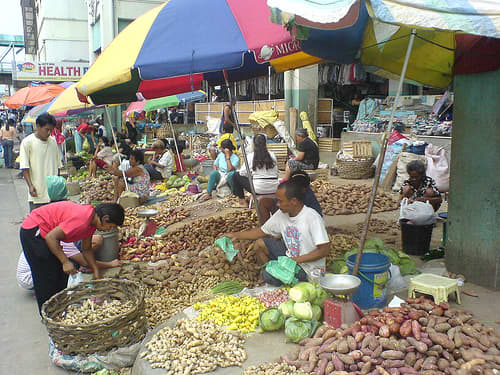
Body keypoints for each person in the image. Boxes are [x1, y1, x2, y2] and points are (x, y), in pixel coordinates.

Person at [20, 201, 125, 313]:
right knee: (46, 276)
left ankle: (60, 309)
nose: (108, 230)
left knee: (61, 274)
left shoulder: (92, 221)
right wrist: (65, 261)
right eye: (111, 226)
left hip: (49, 233)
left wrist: (95, 270)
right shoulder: (82, 221)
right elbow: (51, 238)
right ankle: (48, 314)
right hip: (35, 230)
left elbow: (87, 249)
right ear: (105, 218)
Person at [225, 178, 329, 286]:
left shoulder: (312, 218)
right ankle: (275, 273)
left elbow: (324, 250)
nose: (277, 204)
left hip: (309, 268)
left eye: (280, 201)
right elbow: (261, 231)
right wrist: (235, 235)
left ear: (293, 201)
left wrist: (296, 260)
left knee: (268, 275)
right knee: (260, 243)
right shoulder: (282, 214)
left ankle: (282, 278)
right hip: (291, 258)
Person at [16, 235, 121, 290]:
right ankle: (48, 287)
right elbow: (85, 262)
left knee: (95, 241)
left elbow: (88, 247)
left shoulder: (61, 232)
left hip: (33, 272)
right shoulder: (58, 240)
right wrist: (111, 264)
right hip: (28, 279)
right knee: (69, 266)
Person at [20, 113, 62, 212]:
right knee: (36, 223)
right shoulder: (27, 142)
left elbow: (58, 165)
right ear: (38, 127)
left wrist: (59, 186)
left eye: (51, 130)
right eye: (47, 129)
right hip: (37, 193)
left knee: (53, 224)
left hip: (53, 194)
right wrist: (30, 185)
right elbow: (25, 167)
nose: (49, 133)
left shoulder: (53, 142)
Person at [232, 134, 279, 207]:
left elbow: (242, 173)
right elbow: (276, 172)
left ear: (253, 144)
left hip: (258, 189)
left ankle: (242, 202)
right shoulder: (272, 155)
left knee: (236, 175)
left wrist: (251, 175)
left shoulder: (251, 156)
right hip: (274, 187)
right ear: (266, 144)